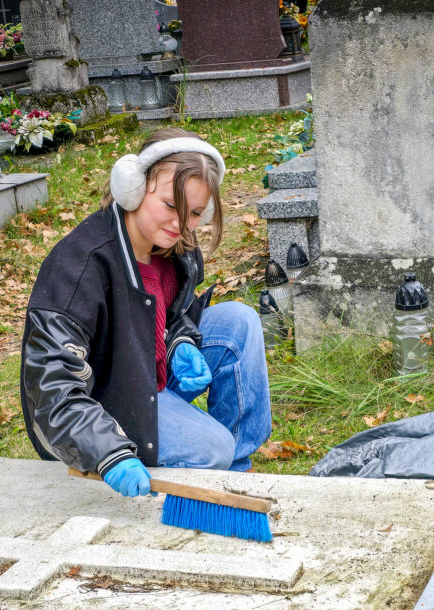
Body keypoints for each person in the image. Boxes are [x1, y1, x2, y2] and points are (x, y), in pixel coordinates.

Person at [20, 127, 271, 497]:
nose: (181, 225)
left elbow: (174, 315)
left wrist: (180, 343)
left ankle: (234, 477)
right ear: (133, 187)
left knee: (240, 322)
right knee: (212, 447)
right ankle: (209, 462)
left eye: (194, 213)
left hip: (146, 379)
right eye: (170, 206)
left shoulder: (177, 248)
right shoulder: (81, 265)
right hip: (104, 404)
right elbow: (51, 386)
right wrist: (108, 451)